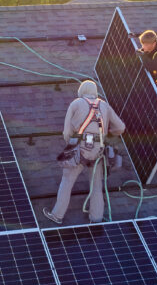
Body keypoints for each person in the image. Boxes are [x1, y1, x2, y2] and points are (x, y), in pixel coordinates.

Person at [43, 80, 125, 225]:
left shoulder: (76, 103)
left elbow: (67, 132)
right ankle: (96, 218)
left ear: (82, 91)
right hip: (98, 151)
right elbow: (121, 127)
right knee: (97, 186)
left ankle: (57, 215)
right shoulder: (104, 105)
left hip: (80, 150)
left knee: (67, 182)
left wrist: (71, 144)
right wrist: (108, 134)